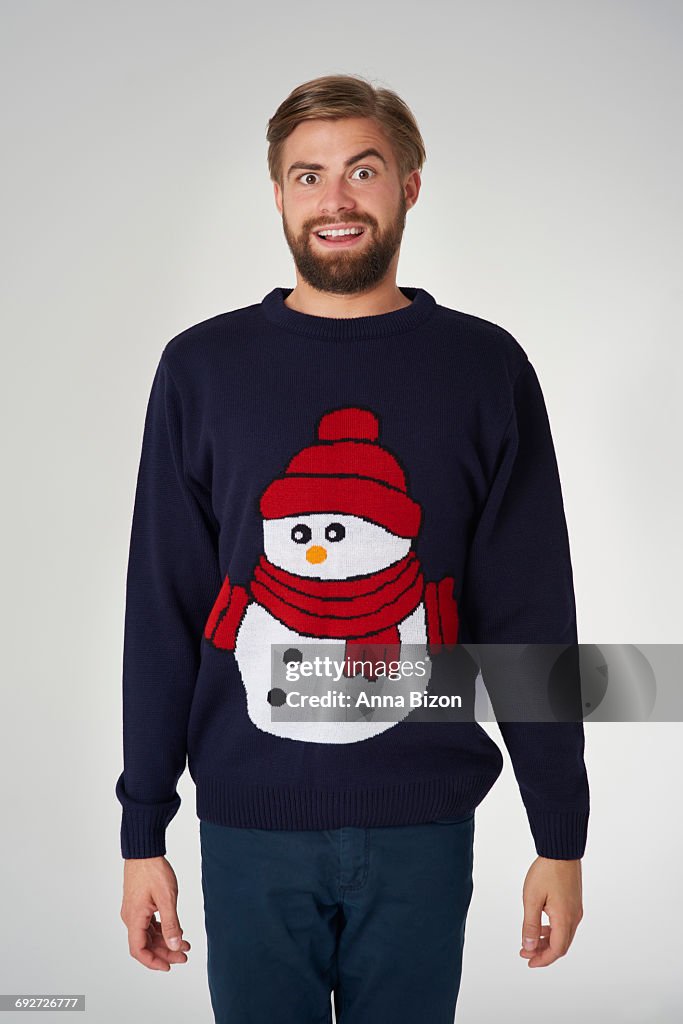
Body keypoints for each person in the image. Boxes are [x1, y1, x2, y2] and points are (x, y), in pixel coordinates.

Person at [117, 74, 588, 1023]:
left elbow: (529, 606)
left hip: (423, 820)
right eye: (306, 176)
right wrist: (141, 835)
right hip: (247, 824)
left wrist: (560, 835)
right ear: (280, 195)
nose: (333, 199)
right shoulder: (201, 369)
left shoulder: (483, 366)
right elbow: (162, 610)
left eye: (361, 170)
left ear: (409, 185)